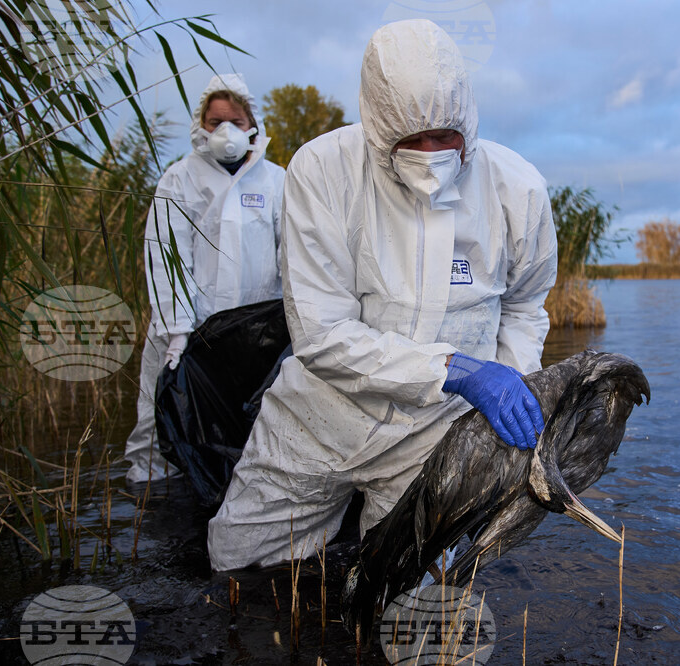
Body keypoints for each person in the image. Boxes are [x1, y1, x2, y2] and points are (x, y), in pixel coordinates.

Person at [207, 20, 557, 570]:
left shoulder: (518, 190)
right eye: (410, 141)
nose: (430, 154)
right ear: (375, 127)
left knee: (409, 604)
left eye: (445, 136)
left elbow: (523, 306)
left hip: (435, 434)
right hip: (317, 418)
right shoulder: (323, 171)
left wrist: (507, 393)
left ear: (468, 117)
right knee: (236, 567)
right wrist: (457, 369)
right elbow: (321, 335)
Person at [124, 73, 287, 484]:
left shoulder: (276, 181)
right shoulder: (180, 179)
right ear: (201, 124)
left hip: (254, 338)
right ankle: (158, 502)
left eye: (235, 119)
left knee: (249, 428)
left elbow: (294, 255)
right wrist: (177, 332)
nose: (226, 130)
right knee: (164, 424)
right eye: (216, 121)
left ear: (252, 124)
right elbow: (166, 254)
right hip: (190, 332)